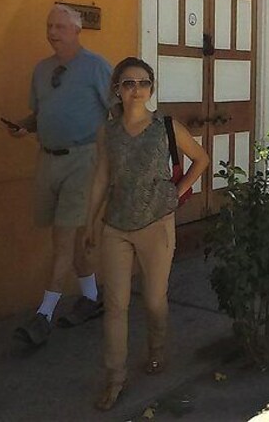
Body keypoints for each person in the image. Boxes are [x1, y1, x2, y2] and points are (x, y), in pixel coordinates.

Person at [86, 57, 209, 410]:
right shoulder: (107, 131)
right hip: (115, 227)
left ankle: (156, 350)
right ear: (117, 90)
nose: (135, 89)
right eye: (127, 83)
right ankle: (115, 378)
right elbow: (100, 178)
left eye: (142, 83)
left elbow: (200, 159)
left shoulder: (167, 127)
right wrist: (89, 223)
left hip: (156, 224)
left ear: (151, 89)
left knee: (155, 301)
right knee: (116, 306)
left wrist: (177, 191)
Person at [6, 4, 112, 346]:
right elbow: (40, 113)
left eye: (60, 27)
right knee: (72, 237)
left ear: (77, 31)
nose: (53, 32)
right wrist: (23, 127)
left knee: (63, 239)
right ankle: (93, 298)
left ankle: (44, 315)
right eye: (49, 25)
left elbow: (117, 111)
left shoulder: (95, 66)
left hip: (84, 160)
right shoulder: (41, 70)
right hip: (48, 160)